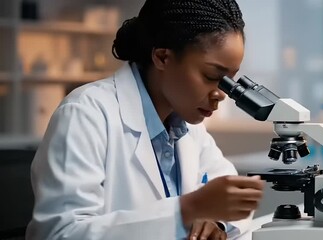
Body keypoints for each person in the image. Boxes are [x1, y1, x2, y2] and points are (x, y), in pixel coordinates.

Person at [26, 0, 265, 239]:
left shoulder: (187, 128)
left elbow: (229, 200)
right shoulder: (86, 113)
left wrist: (215, 223)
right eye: (212, 76)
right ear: (162, 57)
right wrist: (187, 211)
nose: (221, 94)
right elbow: (60, 233)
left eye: (230, 81)